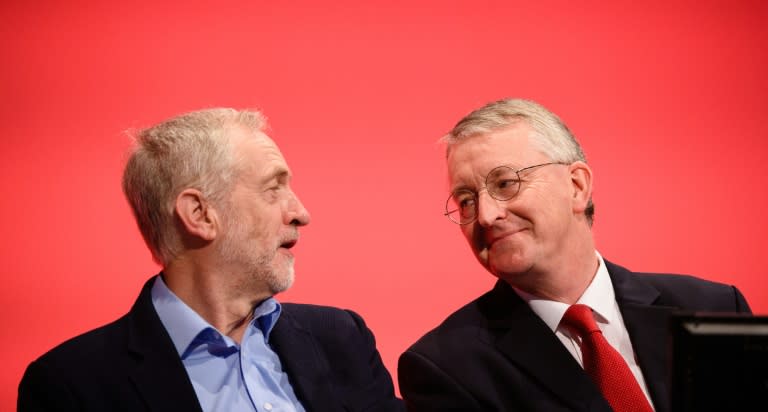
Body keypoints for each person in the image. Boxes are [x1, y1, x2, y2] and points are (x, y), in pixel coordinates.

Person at [19, 108, 404, 412]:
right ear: (200, 215)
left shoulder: (340, 338)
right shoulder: (72, 386)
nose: (301, 213)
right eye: (273, 189)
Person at [397, 98, 751, 412]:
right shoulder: (447, 366)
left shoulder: (713, 306)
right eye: (466, 201)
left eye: (505, 183)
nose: (487, 215)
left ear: (577, 186)